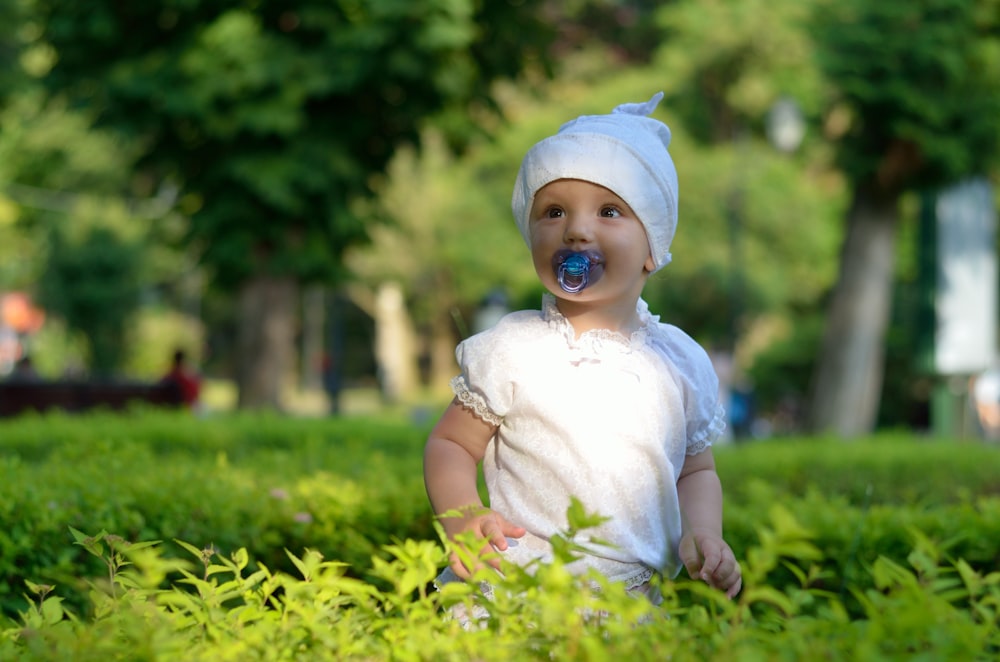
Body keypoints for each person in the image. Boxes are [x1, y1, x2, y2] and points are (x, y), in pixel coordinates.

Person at [423, 92, 742, 620]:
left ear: (652, 250)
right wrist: (463, 516)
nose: (575, 228)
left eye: (610, 211)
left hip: (628, 606)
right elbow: (451, 443)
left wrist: (704, 532)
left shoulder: (679, 362)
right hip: (515, 590)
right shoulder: (513, 348)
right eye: (553, 211)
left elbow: (695, 470)